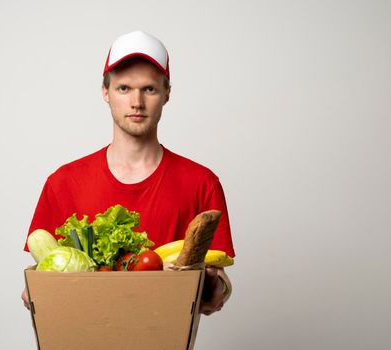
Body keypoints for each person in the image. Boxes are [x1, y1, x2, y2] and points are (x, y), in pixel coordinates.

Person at [21, 31, 235, 315]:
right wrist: (36, 290)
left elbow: (218, 286)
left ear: (167, 94)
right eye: (124, 88)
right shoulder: (63, 183)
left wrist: (214, 286)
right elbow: (42, 274)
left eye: (149, 89)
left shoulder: (201, 183)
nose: (136, 102)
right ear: (105, 92)